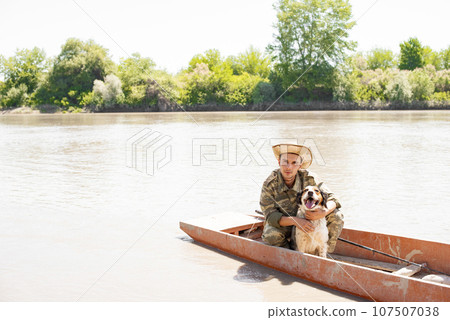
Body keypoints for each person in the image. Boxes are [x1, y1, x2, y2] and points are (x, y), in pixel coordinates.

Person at [260, 144, 343, 252]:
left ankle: (325, 252)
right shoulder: (270, 184)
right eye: (285, 162)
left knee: (337, 216)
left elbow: (333, 199)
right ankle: (289, 253)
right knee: (271, 235)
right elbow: (270, 216)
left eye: (294, 163)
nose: (289, 167)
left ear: (300, 165)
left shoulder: (309, 178)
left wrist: (323, 212)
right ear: (279, 162)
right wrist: (295, 221)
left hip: (311, 221)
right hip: (286, 225)